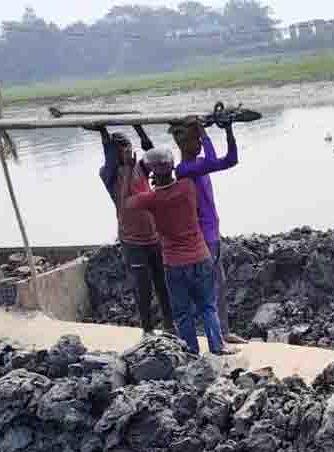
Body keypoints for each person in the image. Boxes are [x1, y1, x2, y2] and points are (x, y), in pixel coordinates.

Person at [126, 148, 236, 356]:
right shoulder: (187, 187)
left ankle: (191, 351)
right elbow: (189, 169)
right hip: (200, 256)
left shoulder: (152, 199)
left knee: (183, 313)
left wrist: (138, 168)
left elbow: (131, 201)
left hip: (174, 263)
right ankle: (217, 346)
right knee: (207, 306)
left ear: (152, 176)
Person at [93, 124, 175, 335]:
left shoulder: (140, 166)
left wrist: (139, 129)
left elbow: (155, 155)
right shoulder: (109, 174)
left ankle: (169, 324)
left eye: (129, 146)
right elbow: (124, 200)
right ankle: (147, 330)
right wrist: (104, 134)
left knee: (162, 284)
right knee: (143, 287)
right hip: (132, 241)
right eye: (123, 149)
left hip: (153, 236)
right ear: (114, 153)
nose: (128, 151)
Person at [171, 117, 246, 345]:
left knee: (217, 284)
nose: (201, 144)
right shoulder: (184, 169)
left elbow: (231, 160)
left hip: (213, 233)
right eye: (197, 141)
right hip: (203, 237)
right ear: (184, 145)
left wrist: (229, 131)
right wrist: (204, 132)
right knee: (208, 288)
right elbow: (213, 159)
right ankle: (213, 336)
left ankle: (222, 331)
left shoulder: (200, 164)